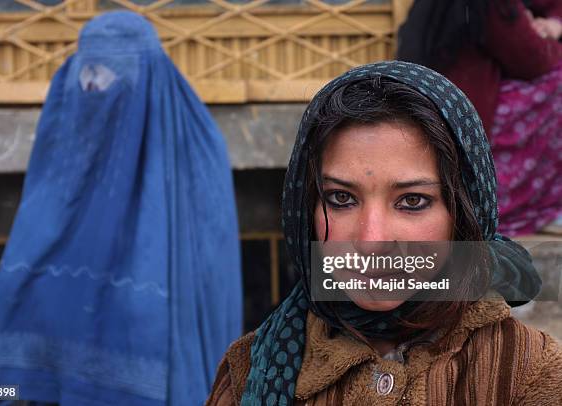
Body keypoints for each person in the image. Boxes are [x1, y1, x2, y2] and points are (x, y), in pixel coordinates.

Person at [206, 61, 561, 405]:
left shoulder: (529, 375)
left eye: (412, 201)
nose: (372, 242)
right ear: (305, 208)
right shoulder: (252, 370)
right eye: (341, 198)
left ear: (464, 214)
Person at [0, 11, 242, 406]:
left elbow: (205, 293)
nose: (93, 85)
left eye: (108, 72)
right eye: (87, 70)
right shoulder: (68, 148)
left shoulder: (196, 153)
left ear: (144, 76)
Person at [397, 0, 562, 236]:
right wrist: (542, 33)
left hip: (433, 102)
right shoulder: (493, 5)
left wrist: (554, 22)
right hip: (469, 112)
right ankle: (519, 204)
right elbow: (533, 58)